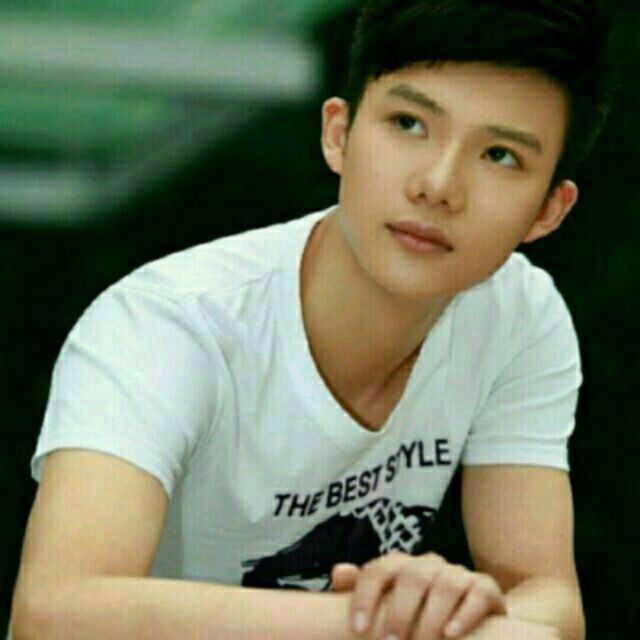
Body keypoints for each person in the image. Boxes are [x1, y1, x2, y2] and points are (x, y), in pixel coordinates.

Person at [10, 1, 619, 639]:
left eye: (499, 155)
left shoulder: (519, 316)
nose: (438, 186)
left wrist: (442, 610)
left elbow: (550, 603)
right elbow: (54, 613)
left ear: (548, 211)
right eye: (408, 123)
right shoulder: (168, 324)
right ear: (338, 134)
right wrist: (384, 622)